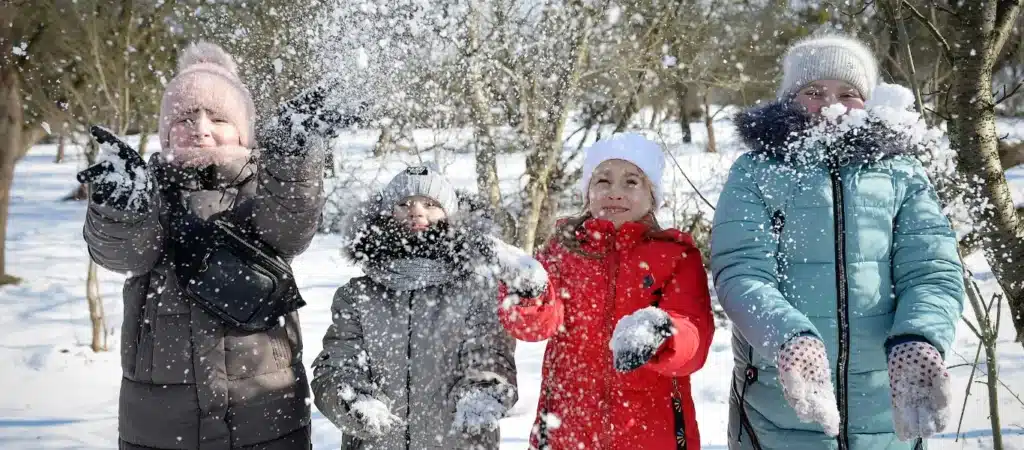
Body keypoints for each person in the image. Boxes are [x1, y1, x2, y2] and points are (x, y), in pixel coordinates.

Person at [710, 34, 965, 450]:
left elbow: (932, 269)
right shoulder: (756, 171)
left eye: (848, 93)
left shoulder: (900, 171)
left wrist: (919, 336)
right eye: (814, 91)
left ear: (868, 102)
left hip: (885, 406)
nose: (832, 103)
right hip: (778, 402)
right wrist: (790, 338)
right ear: (789, 99)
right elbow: (740, 271)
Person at [81, 41, 337, 449]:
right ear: (166, 130)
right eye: (185, 117)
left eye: (218, 117)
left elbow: (289, 229)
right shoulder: (151, 191)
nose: (200, 128)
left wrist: (291, 160)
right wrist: (119, 207)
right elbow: (126, 252)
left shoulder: (264, 188)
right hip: (160, 417)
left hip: (264, 409)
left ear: (243, 128)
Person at [498, 132, 715, 450]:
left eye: (631, 182)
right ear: (587, 192)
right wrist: (527, 293)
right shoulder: (563, 251)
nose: (615, 193)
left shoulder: (675, 255)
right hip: (568, 426)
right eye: (603, 181)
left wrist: (663, 334)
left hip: (652, 431)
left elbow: (692, 334)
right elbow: (535, 325)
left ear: (653, 195)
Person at [311, 164, 527, 449]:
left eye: (430, 204)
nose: (416, 211)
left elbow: (490, 355)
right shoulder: (357, 295)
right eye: (403, 203)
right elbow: (339, 361)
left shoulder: (476, 291)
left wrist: (484, 393)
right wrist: (352, 399)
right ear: (386, 215)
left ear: (451, 215)